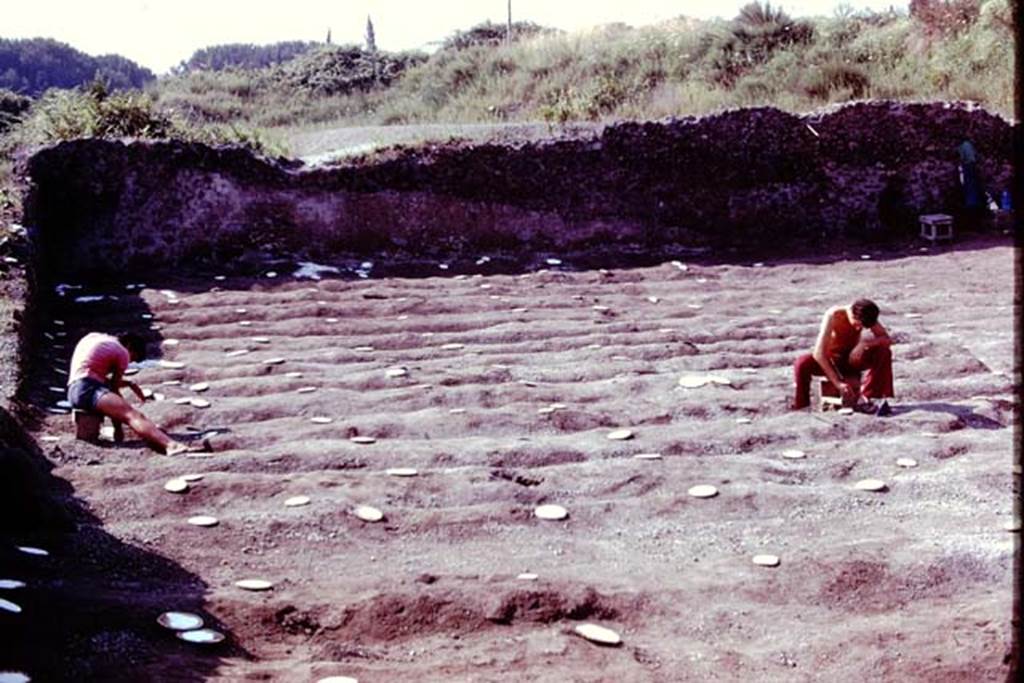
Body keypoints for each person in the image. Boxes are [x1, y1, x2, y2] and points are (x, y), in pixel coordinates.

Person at [67, 331, 202, 455]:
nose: (129, 362)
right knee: (133, 415)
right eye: (133, 358)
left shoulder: (96, 338)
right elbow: (113, 389)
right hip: (89, 389)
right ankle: (171, 445)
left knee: (95, 432)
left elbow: (93, 374)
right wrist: (118, 428)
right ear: (130, 347)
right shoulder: (122, 352)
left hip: (75, 390)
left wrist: (130, 384)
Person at [792, 299, 893, 414]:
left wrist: (864, 344)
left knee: (883, 351)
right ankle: (801, 406)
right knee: (802, 362)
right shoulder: (834, 315)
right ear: (853, 315)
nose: (858, 329)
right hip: (832, 360)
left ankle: (870, 397)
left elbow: (886, 339)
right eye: (858, 324)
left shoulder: (866, 314)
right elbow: (818, 353)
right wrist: (837, 383)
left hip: (851, 360)